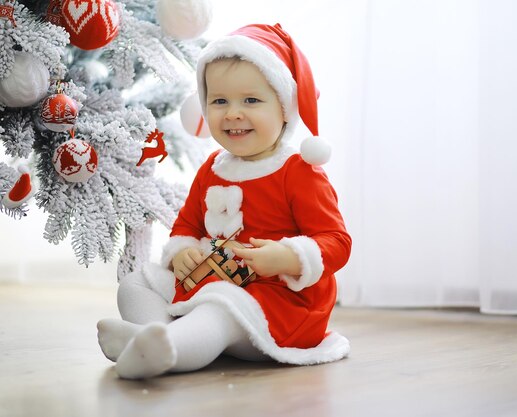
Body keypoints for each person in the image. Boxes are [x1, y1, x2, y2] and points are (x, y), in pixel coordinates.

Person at [96, 23, 352, 379]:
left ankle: (169, 350)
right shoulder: (213, 168)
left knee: (219, 311)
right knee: (137, 283)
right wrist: (183, 251)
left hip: (279, 306)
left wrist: (287, 256)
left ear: (284, 109)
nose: (232, 113)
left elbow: (337, 242)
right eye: (219, 101)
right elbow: (187, 224)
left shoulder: (298, 171)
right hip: (214, 283)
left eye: (251, 100)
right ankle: (150, 338)